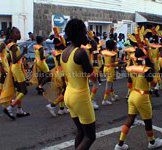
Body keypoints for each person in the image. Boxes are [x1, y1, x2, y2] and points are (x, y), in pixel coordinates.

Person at [114, 48, 162, 150]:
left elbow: (130, 82)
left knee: (130, 119)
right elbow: (153, 84)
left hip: (132, 95)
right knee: (148, 121)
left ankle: (119, 144)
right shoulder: (146, 69)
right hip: (142, 97)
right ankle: (152, 142)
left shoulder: (131, 67)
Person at [61, 19, 96, 149]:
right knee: (90, 136)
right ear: (80, 33)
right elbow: (92, 76)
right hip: (80, 97)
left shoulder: (65, 52)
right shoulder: (81, 52)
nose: (86, 35)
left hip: (69, 95)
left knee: (81, 131)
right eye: (85, 32)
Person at [2, 27, 29, 120]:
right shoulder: (13, 46)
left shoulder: (11, 45)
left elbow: (9, 59)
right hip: (16, 68)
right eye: (17, 33)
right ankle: (9, 108)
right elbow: (14, 60)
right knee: (24, 90)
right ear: (12, 35)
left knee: (18, 90)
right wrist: (23, 53)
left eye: (19, 32)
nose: (19, 34)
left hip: (15, 68)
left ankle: (19, 110)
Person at [44, 27, 69, 116]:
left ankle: (61, 109)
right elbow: (60, 66)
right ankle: (52, 105)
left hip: (58, 72)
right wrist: (63, 78)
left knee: (61, 91)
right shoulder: (59, 54)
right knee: (65, 90)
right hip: (60, 74)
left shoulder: (57, 52)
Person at [102, 40, 119, 105]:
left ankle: (113, 96)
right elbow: (113, 63)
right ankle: (105, 100)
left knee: (110, 84)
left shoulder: (105, 52)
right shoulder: (113, 53)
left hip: (105, 68)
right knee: (108, 84)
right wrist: (119, 63)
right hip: (110, 69)